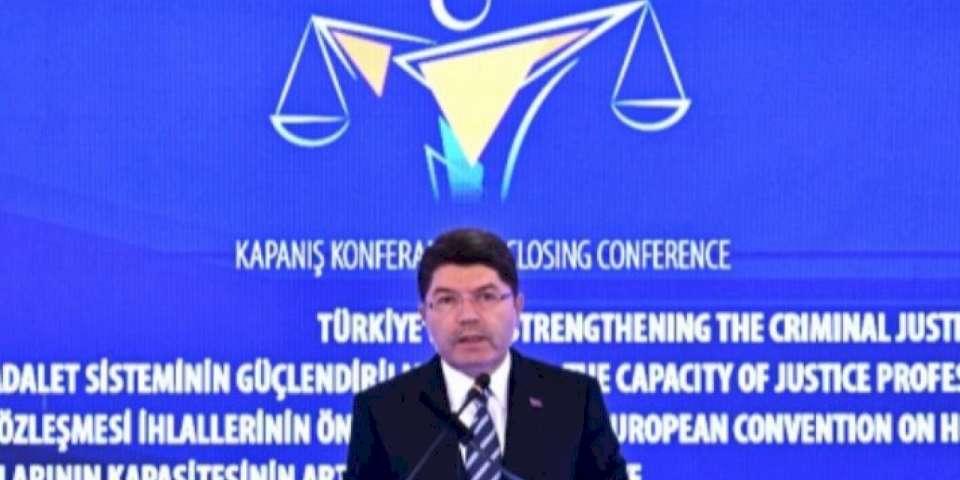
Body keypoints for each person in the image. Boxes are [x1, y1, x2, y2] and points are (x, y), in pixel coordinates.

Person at [345, 228, 627, 480]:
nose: (468, 316)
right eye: (447, 300)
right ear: (424, 315)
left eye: (486, 296)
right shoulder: (382, 411)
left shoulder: (574, 401)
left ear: (517, 306)